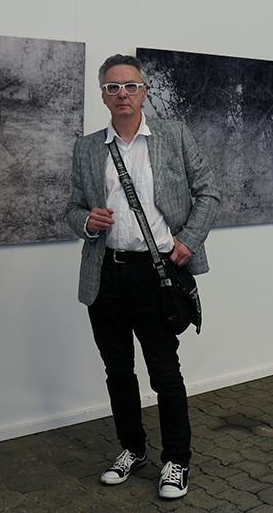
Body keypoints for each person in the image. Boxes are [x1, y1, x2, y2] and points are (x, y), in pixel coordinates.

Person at [64, 54, 220, 500]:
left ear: (144, 92)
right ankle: (132, 449)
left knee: (164, 373)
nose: (122, 94)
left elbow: (209, 192)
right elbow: (73, 208)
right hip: (106, 276)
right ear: (103, 96)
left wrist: (189, 239)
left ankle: (177, 460)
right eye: (113, 87)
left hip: (158, 275)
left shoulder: (173, 135)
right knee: (117, 371)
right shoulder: (88, 147)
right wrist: (86, 221)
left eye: (130, 86)